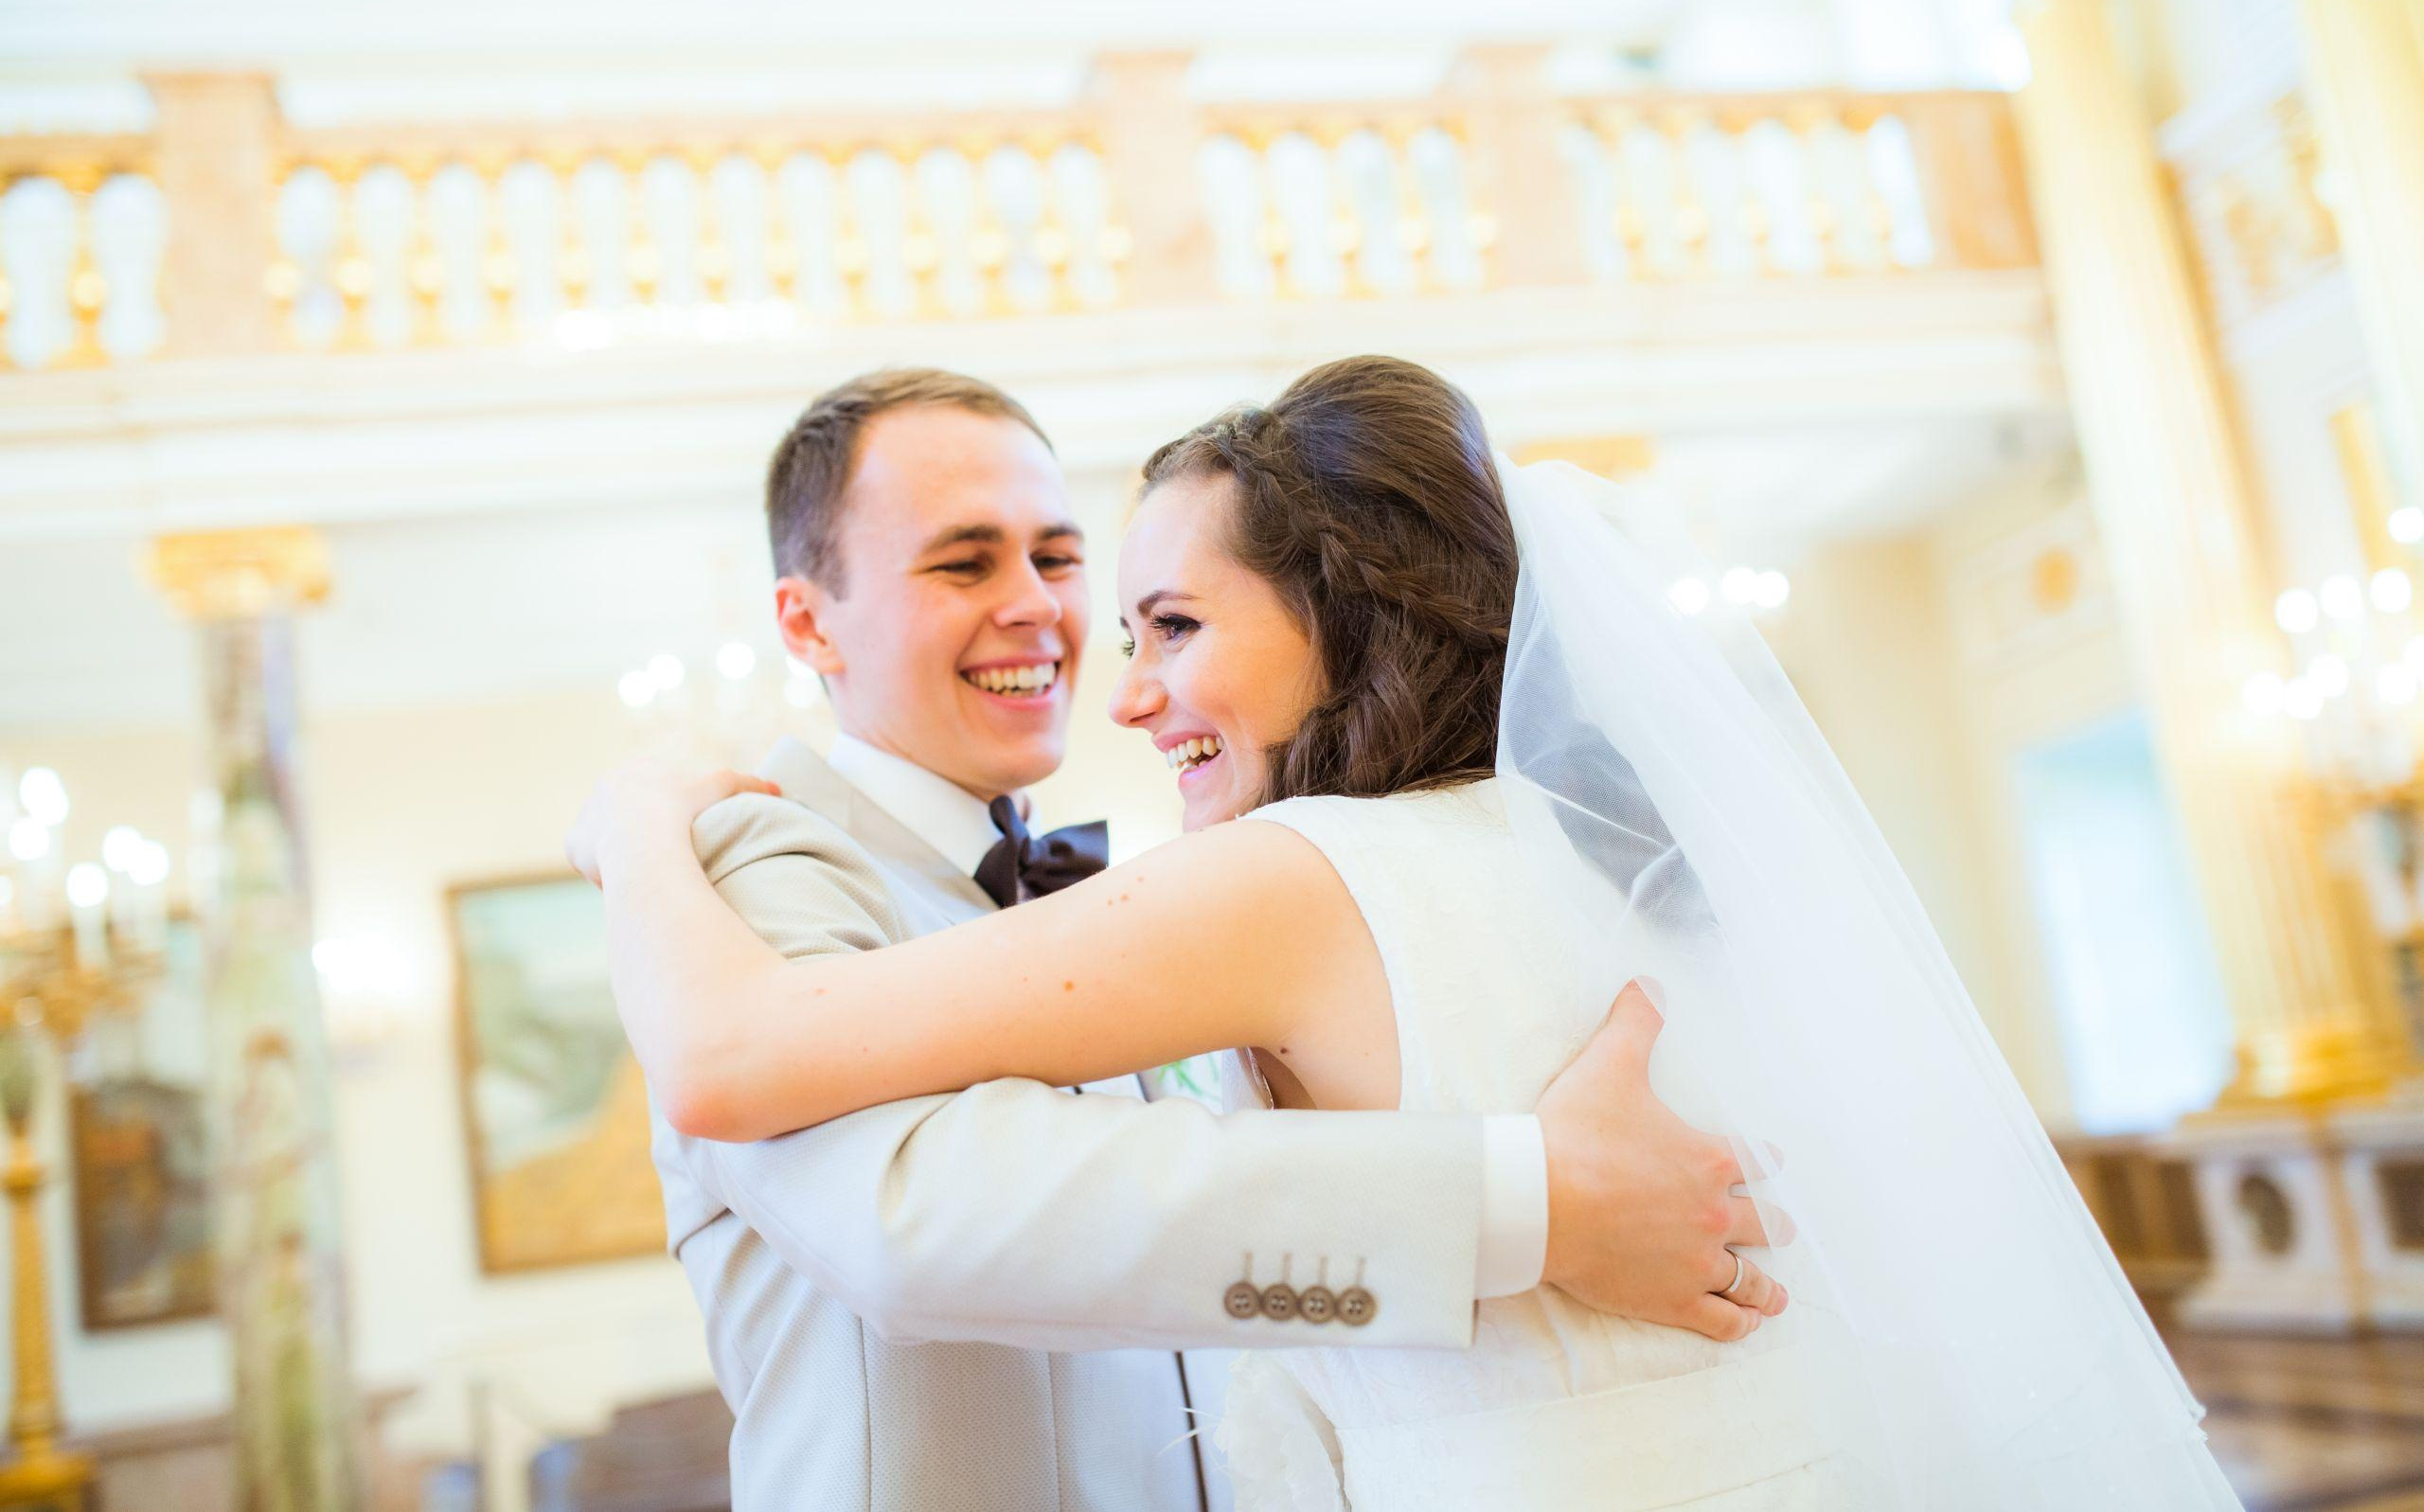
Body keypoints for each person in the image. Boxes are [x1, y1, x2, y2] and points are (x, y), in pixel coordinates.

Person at [567, 366, 1786, 1512]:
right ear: (807, 620)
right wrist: (1529, 1203)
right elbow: (912, 1223)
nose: (1039, 609)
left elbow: (1206, 1283)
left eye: (1055, 556)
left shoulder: (1207, 889)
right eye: (960, 563)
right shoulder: (739, 875)